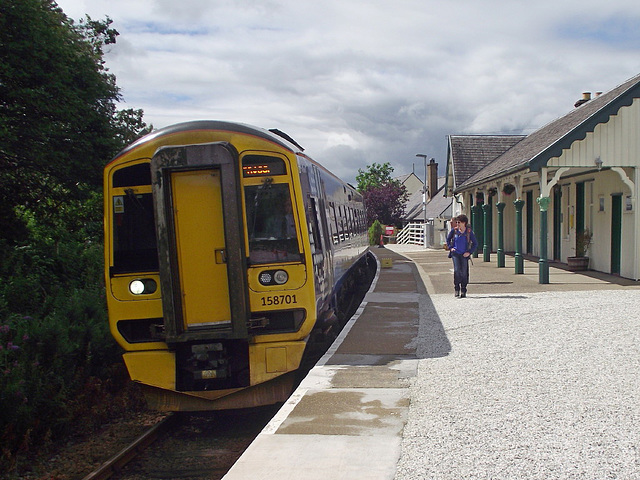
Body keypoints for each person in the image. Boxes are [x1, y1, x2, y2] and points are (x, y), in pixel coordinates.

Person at [450, 214, 477, 298]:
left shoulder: (469, 232)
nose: (457, 224)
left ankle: (464, 289)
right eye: (457, 222)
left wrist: (469, 252)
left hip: (464, 255)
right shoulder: (454, 231)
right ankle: (456, 288)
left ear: (464, 223)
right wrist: (451, 248)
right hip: (456, 254)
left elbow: (475, 244)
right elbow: (448, 240)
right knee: (457, 270)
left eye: (459, 222)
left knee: (464, 272)